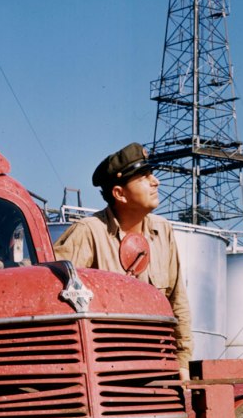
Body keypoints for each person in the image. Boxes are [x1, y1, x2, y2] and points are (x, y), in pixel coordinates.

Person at [53, 141, 192, 374]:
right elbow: (48, 285)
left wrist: (183, 361)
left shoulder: (163, 231)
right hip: (106, 366)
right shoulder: (89, 232)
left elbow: (178, 302)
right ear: (119, 193)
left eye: (152, 174)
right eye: (144, 177)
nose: (155, 181)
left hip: (156, 363)